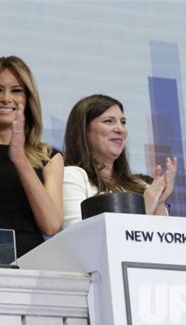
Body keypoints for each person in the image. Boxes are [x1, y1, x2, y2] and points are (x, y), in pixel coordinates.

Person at [0, 56, 63, 258]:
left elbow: (50, 226)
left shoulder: (49, 157)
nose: (6, 98)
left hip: (29, 263)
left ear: (28, 99)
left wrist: (20, 158)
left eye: (16, 91)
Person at [62, 94, 177, 229]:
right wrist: (143, 208)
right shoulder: (73, 176)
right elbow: (76, 234)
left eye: (122, 122)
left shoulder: (140, 185)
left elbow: (163, 240)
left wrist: (159, 203)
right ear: (84, 130)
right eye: (109, 121)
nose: (120, 129)